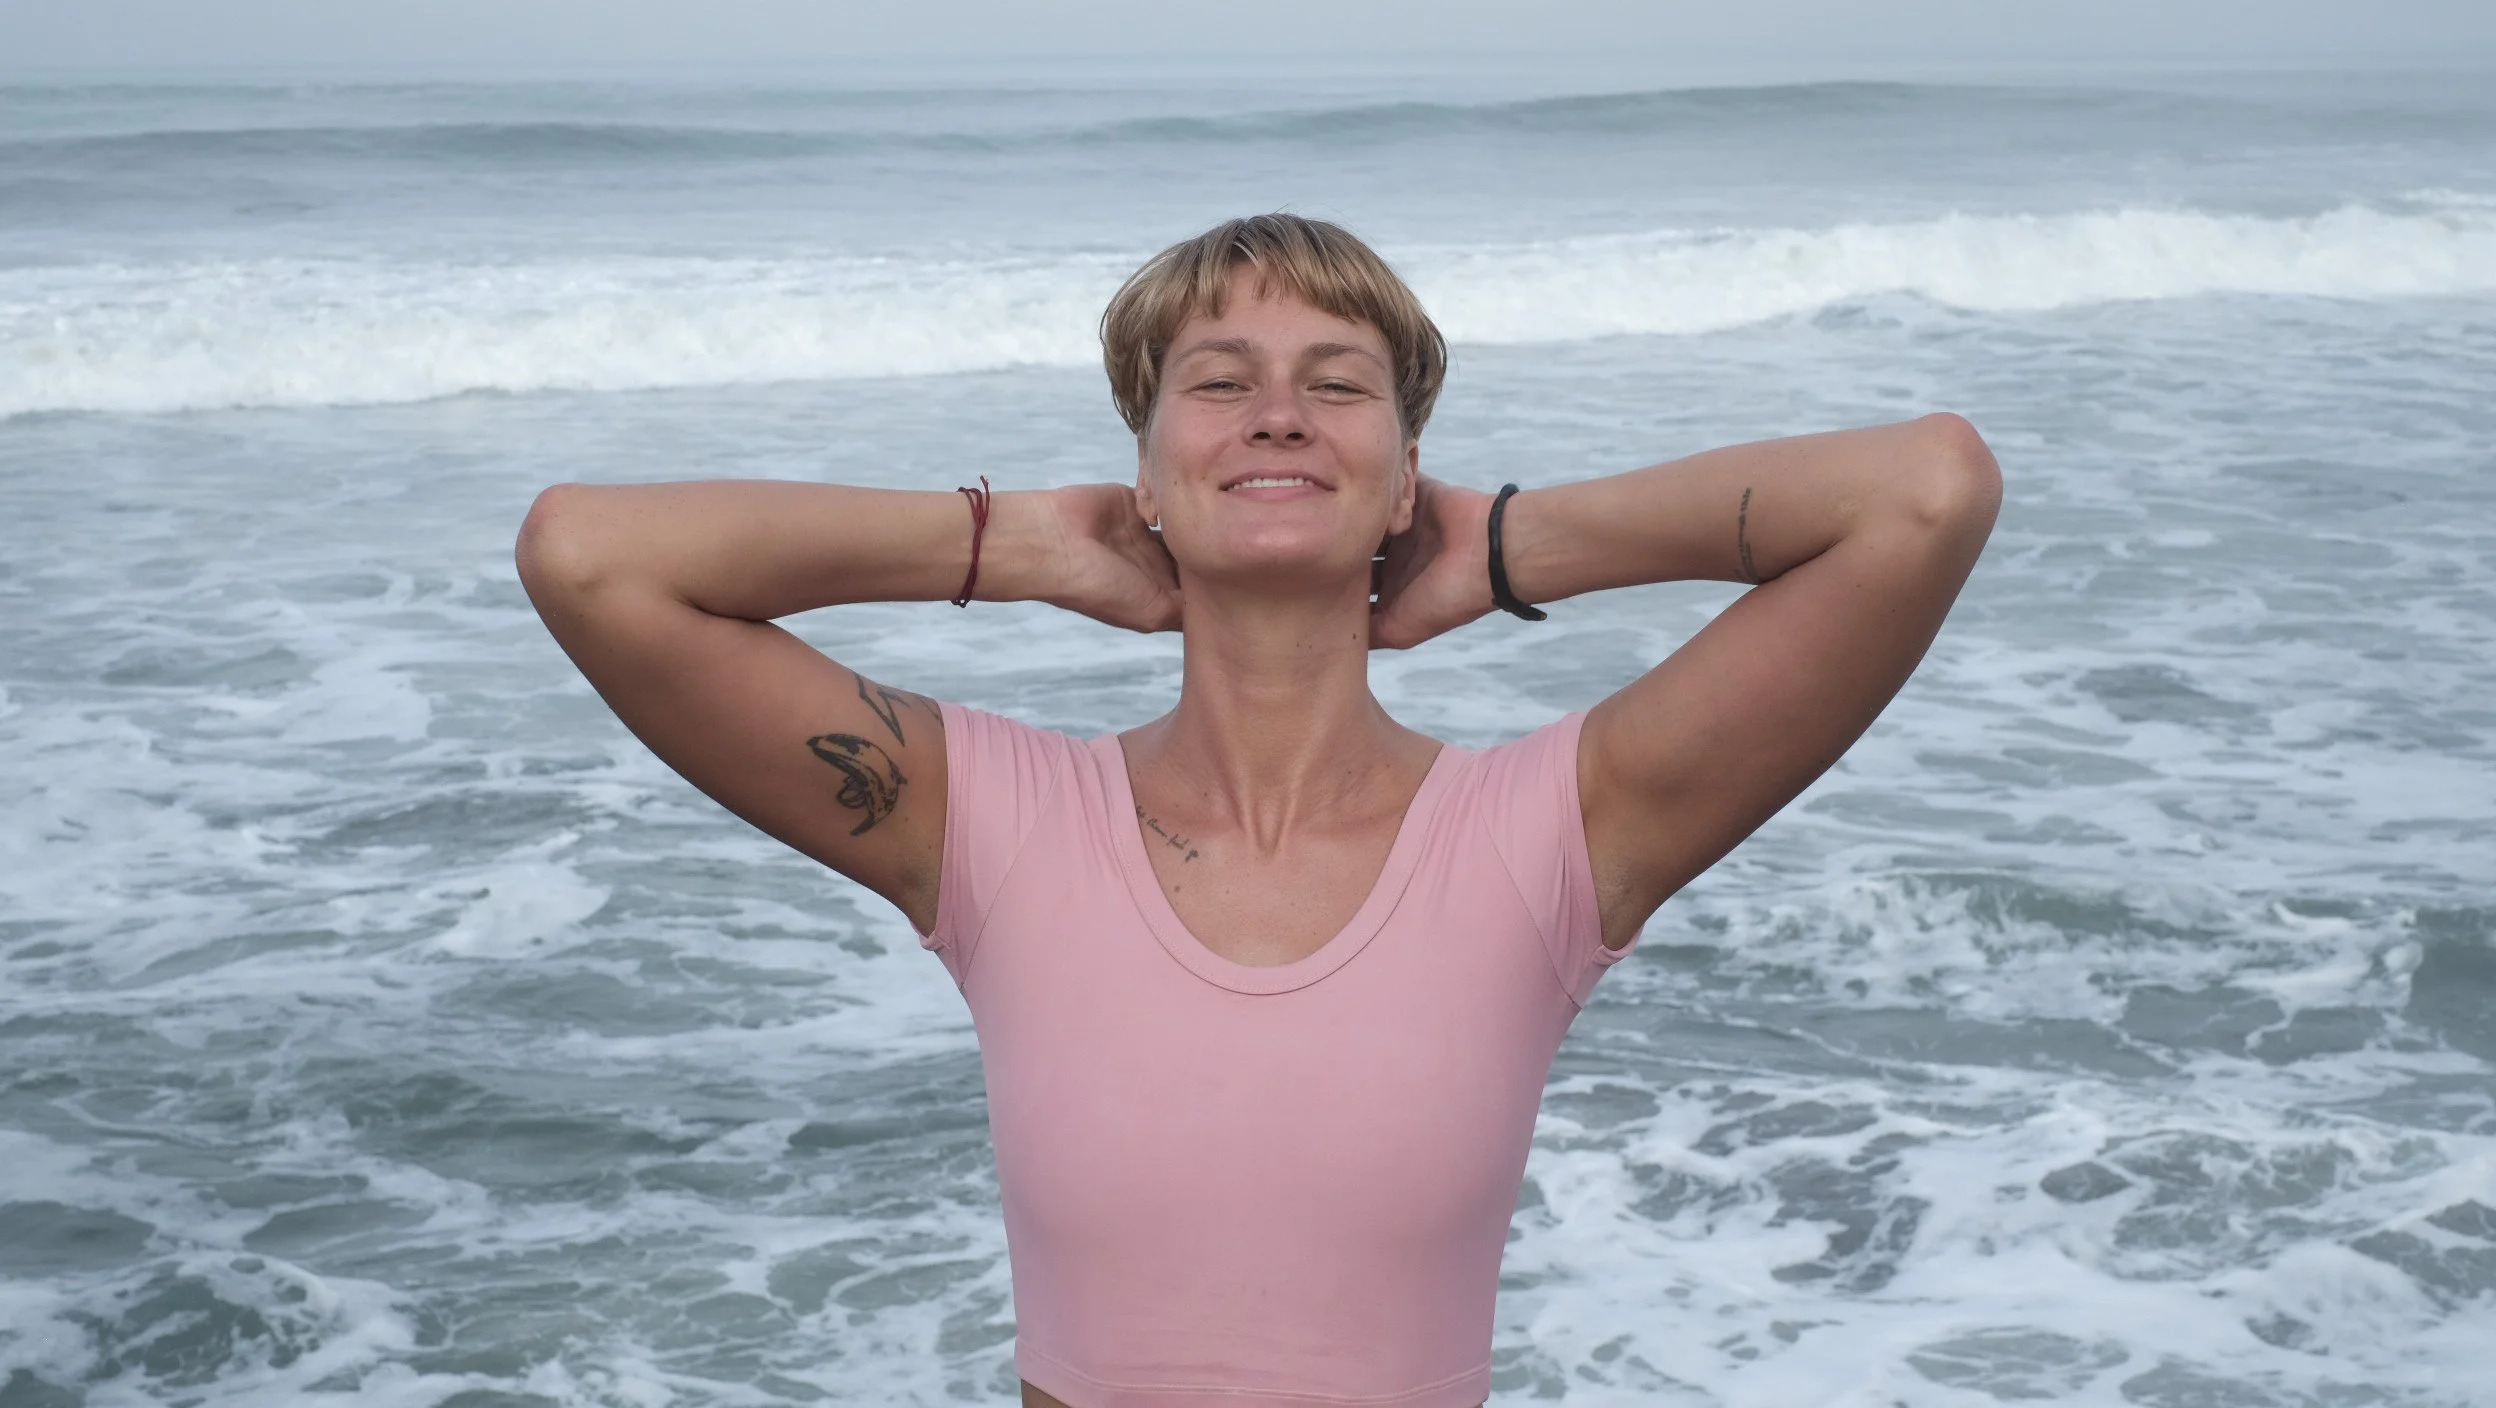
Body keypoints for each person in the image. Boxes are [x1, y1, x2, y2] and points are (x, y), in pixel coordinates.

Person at [515, 214, 2001, 1408]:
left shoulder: (1555, 832)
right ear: (1146, 478)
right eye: (1219, 384)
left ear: (1407, 471)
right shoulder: (989, 824)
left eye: (1339, 385)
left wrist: (1510, 545)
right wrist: (1016, 542)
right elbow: (588, 555)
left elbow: (1926, 491)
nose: (1280, 412)